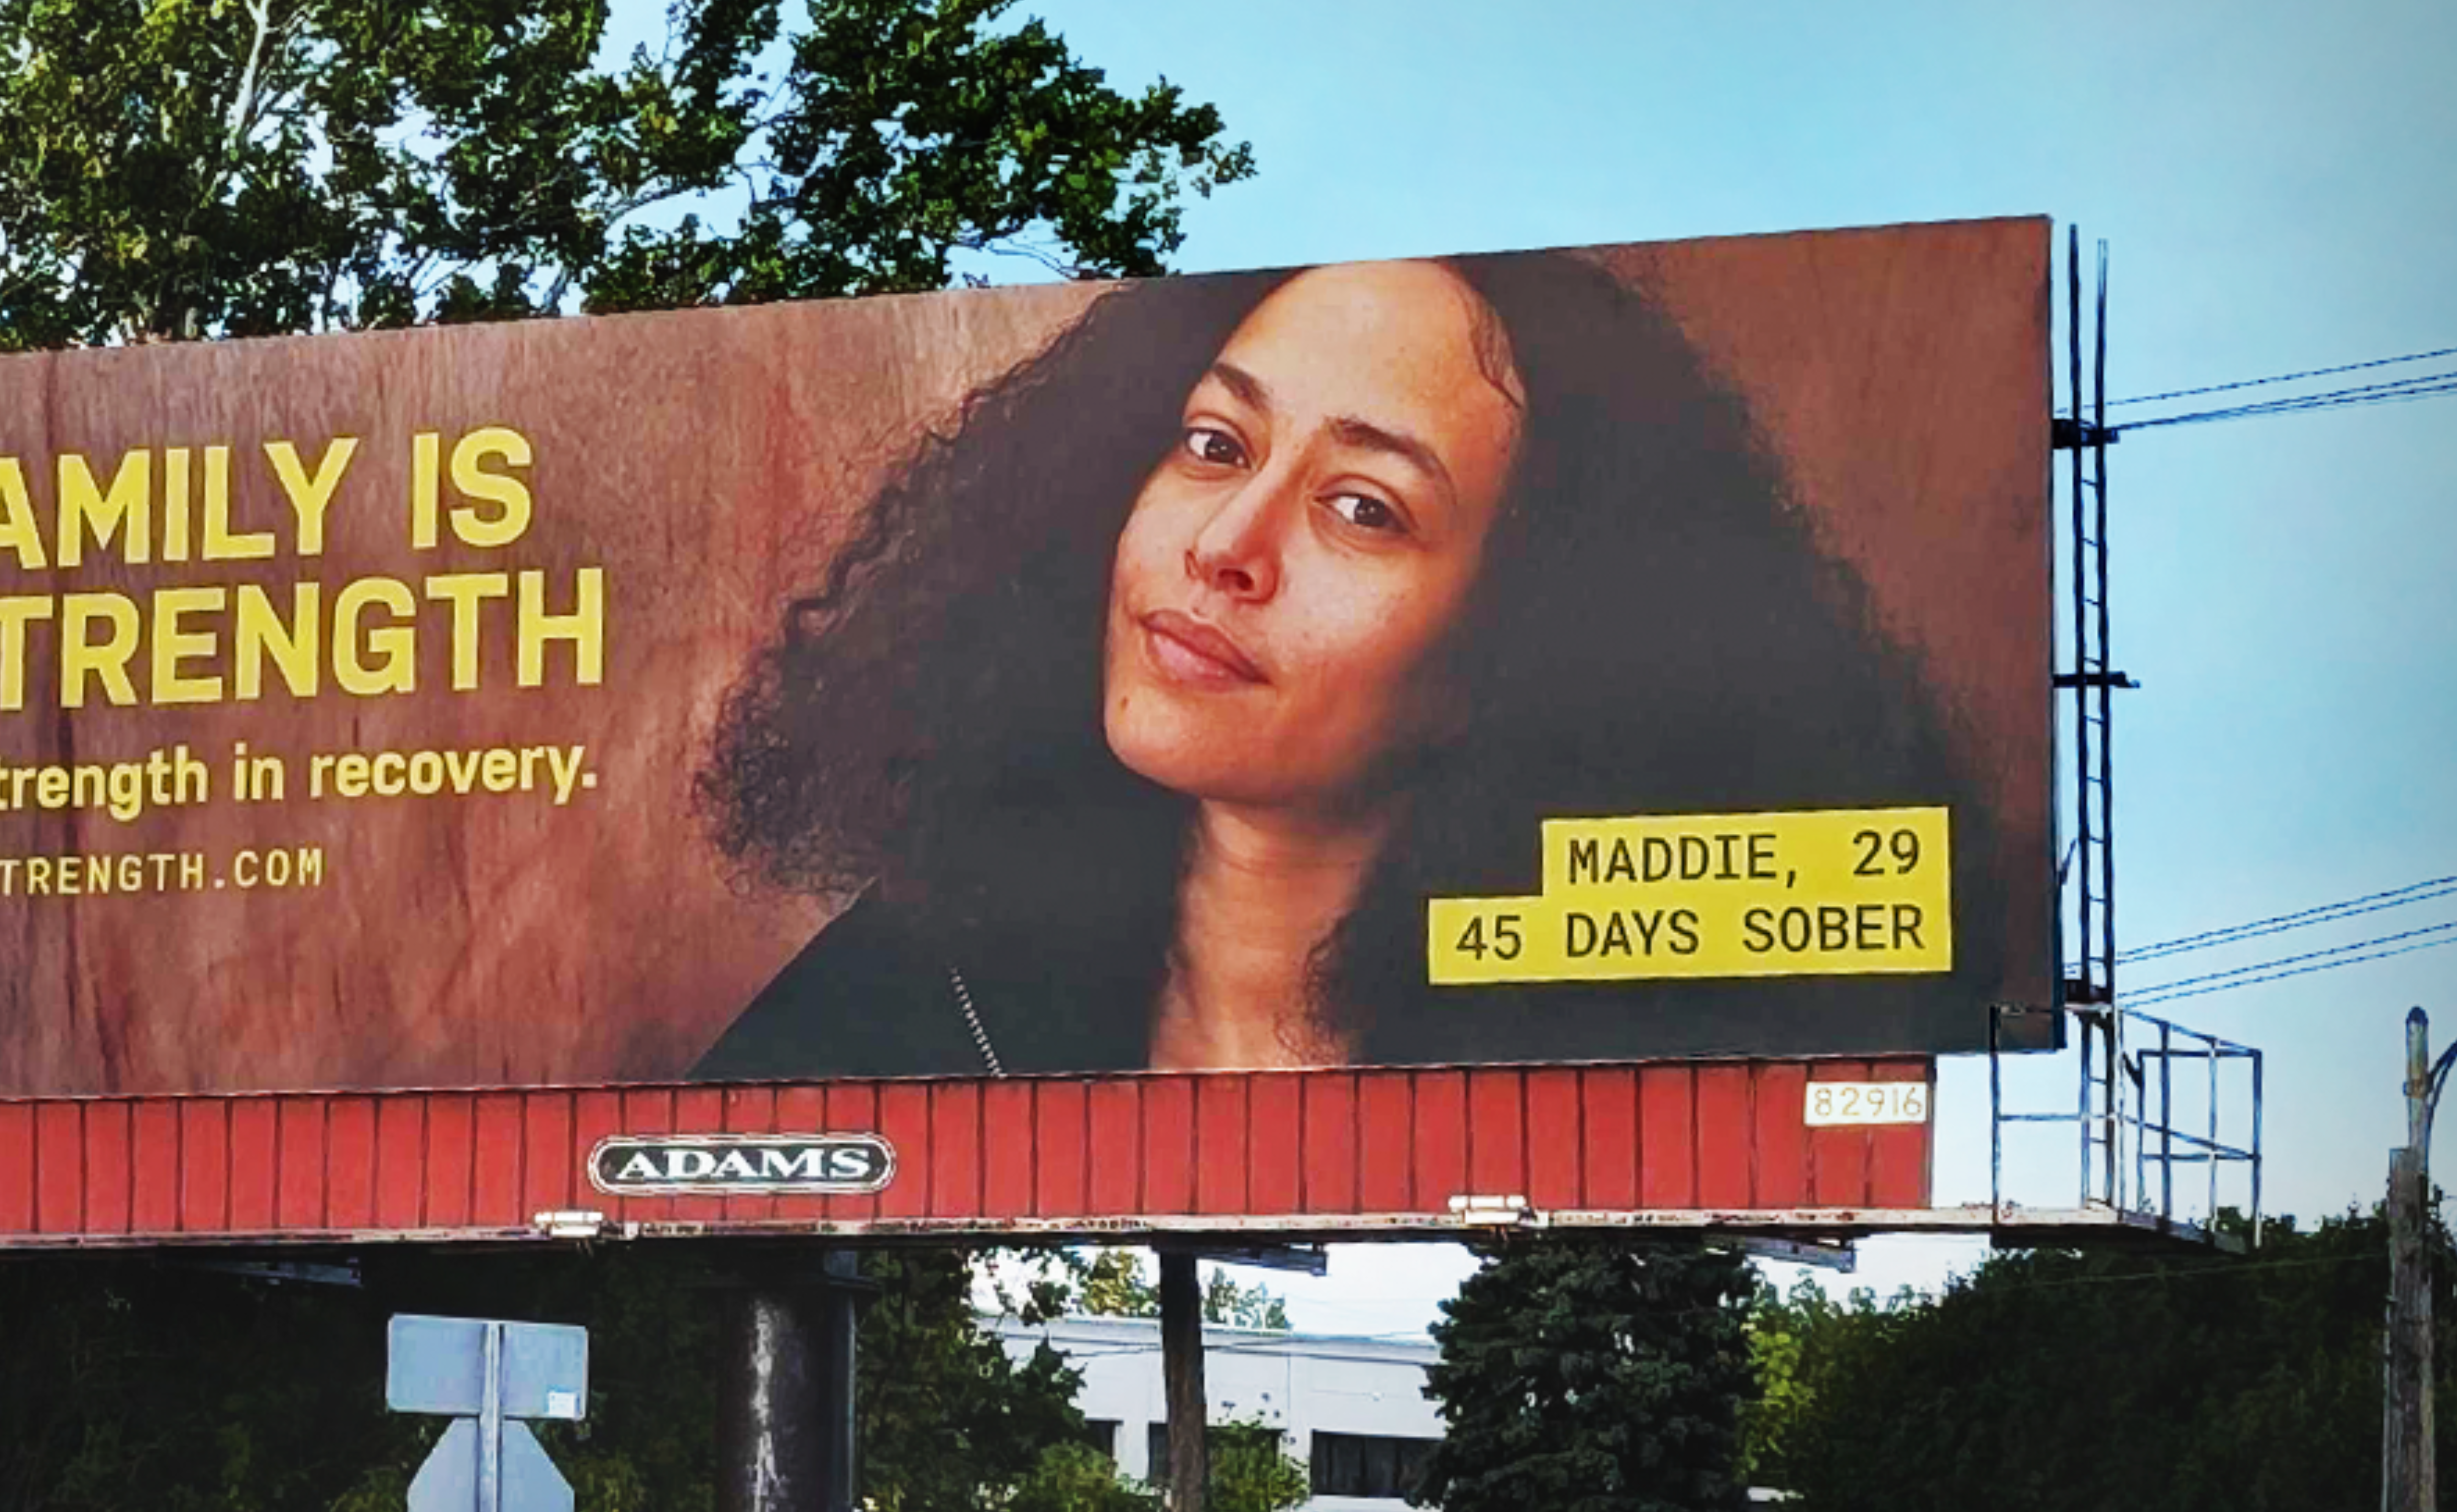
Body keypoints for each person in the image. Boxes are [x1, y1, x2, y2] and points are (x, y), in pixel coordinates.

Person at [690, 250, 2000, 1080]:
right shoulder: (905, 989)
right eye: (1215, 445)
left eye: (1364, 509)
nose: (1225, 547)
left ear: (1522, 640)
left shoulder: (1615, 1075)